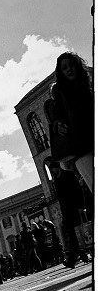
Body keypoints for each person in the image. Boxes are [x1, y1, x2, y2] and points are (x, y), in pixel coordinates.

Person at [48, 51, 93, 193]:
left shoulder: (88, 86)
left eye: (71, 65)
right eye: (65, 67)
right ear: (61, 72)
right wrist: (58, 125)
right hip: (81, 148)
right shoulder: (59, 91)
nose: (69, 69)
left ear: (77, 66)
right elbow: (56, 115)